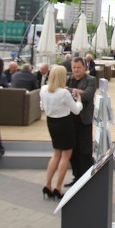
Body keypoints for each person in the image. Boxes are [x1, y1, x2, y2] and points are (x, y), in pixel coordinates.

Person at [39, 65, 82, 199]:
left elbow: (42, 106)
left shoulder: (44, 89)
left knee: (56, 153)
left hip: (51, 122)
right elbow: (76, 110)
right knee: (65, 156)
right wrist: (79, 100)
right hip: (64, 123)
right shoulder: (64, 93)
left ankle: (47, 184)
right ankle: (58, 187)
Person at [67, 56, 97, 186]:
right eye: (74, 67)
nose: (76, 70)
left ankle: (87, 179)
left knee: (85, 150)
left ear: (84, 67)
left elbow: (88, 95)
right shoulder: (69, 79)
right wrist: (77, 92)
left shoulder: (91, 80)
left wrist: (71, 91)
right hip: (70, 120)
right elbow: (62, 93)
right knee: (72, 150)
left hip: (84, 120)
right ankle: (76, 177)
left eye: (78, 67)